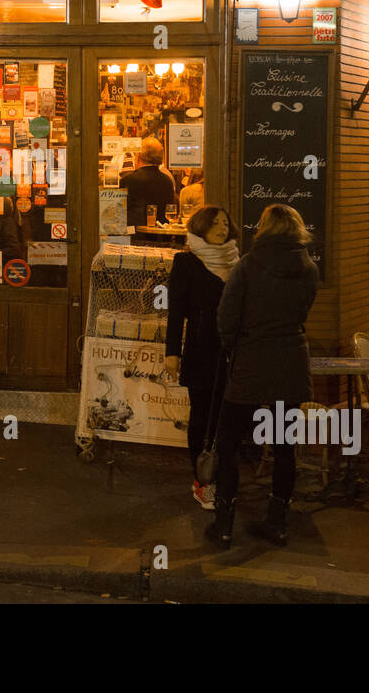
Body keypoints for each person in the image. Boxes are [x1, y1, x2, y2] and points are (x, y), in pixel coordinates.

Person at [207, 203, 319, 548]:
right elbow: (303, 309)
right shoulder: (309, 269)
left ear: (265, 228)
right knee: (285, 444)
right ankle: (277, 521)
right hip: (290, 361)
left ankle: (224, 520)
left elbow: (226, 316)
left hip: (251, 362)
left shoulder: (248, 265)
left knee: (227, 442)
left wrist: (232, 347)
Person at [164, 205, 240, 511]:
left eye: (225, 222)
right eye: (215, 223)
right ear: (201, 227)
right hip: (200, 348)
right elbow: (176, 312)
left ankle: (222, 476)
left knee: (227, 416)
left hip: (234, 351)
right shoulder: (186, 262)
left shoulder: (238, 262)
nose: (222, 228)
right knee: (201, 416)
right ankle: (201, 480)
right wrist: (172, 352)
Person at [119, 136, 177, 226]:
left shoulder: (128, 180)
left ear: (138, 156)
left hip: (134, 236)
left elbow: (116, 216)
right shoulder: (167, 181)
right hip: (160, 236)